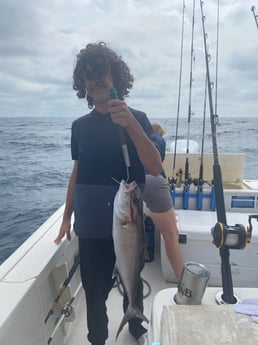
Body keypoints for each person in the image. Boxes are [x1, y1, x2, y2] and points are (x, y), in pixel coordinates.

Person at [54, 42, 162, 345]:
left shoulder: (136, 118)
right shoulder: (80, 127)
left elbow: (154, 167)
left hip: (128, 223)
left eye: (101, 73)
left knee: (133, 281)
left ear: (115, 77)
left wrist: (130, 125)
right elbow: (78, 172)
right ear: (82, 83)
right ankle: (98, 340)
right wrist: (66, 217)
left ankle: (137, 327)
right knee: (94, 291)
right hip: (90, 228)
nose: (96, 80)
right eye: (88, 76)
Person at [143, 123, 184, 282]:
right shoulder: (160, 140)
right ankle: (181, 279)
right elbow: (158, 163)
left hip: (133, 183)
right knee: (171, 236)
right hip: (155, 182)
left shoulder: (136, 137)